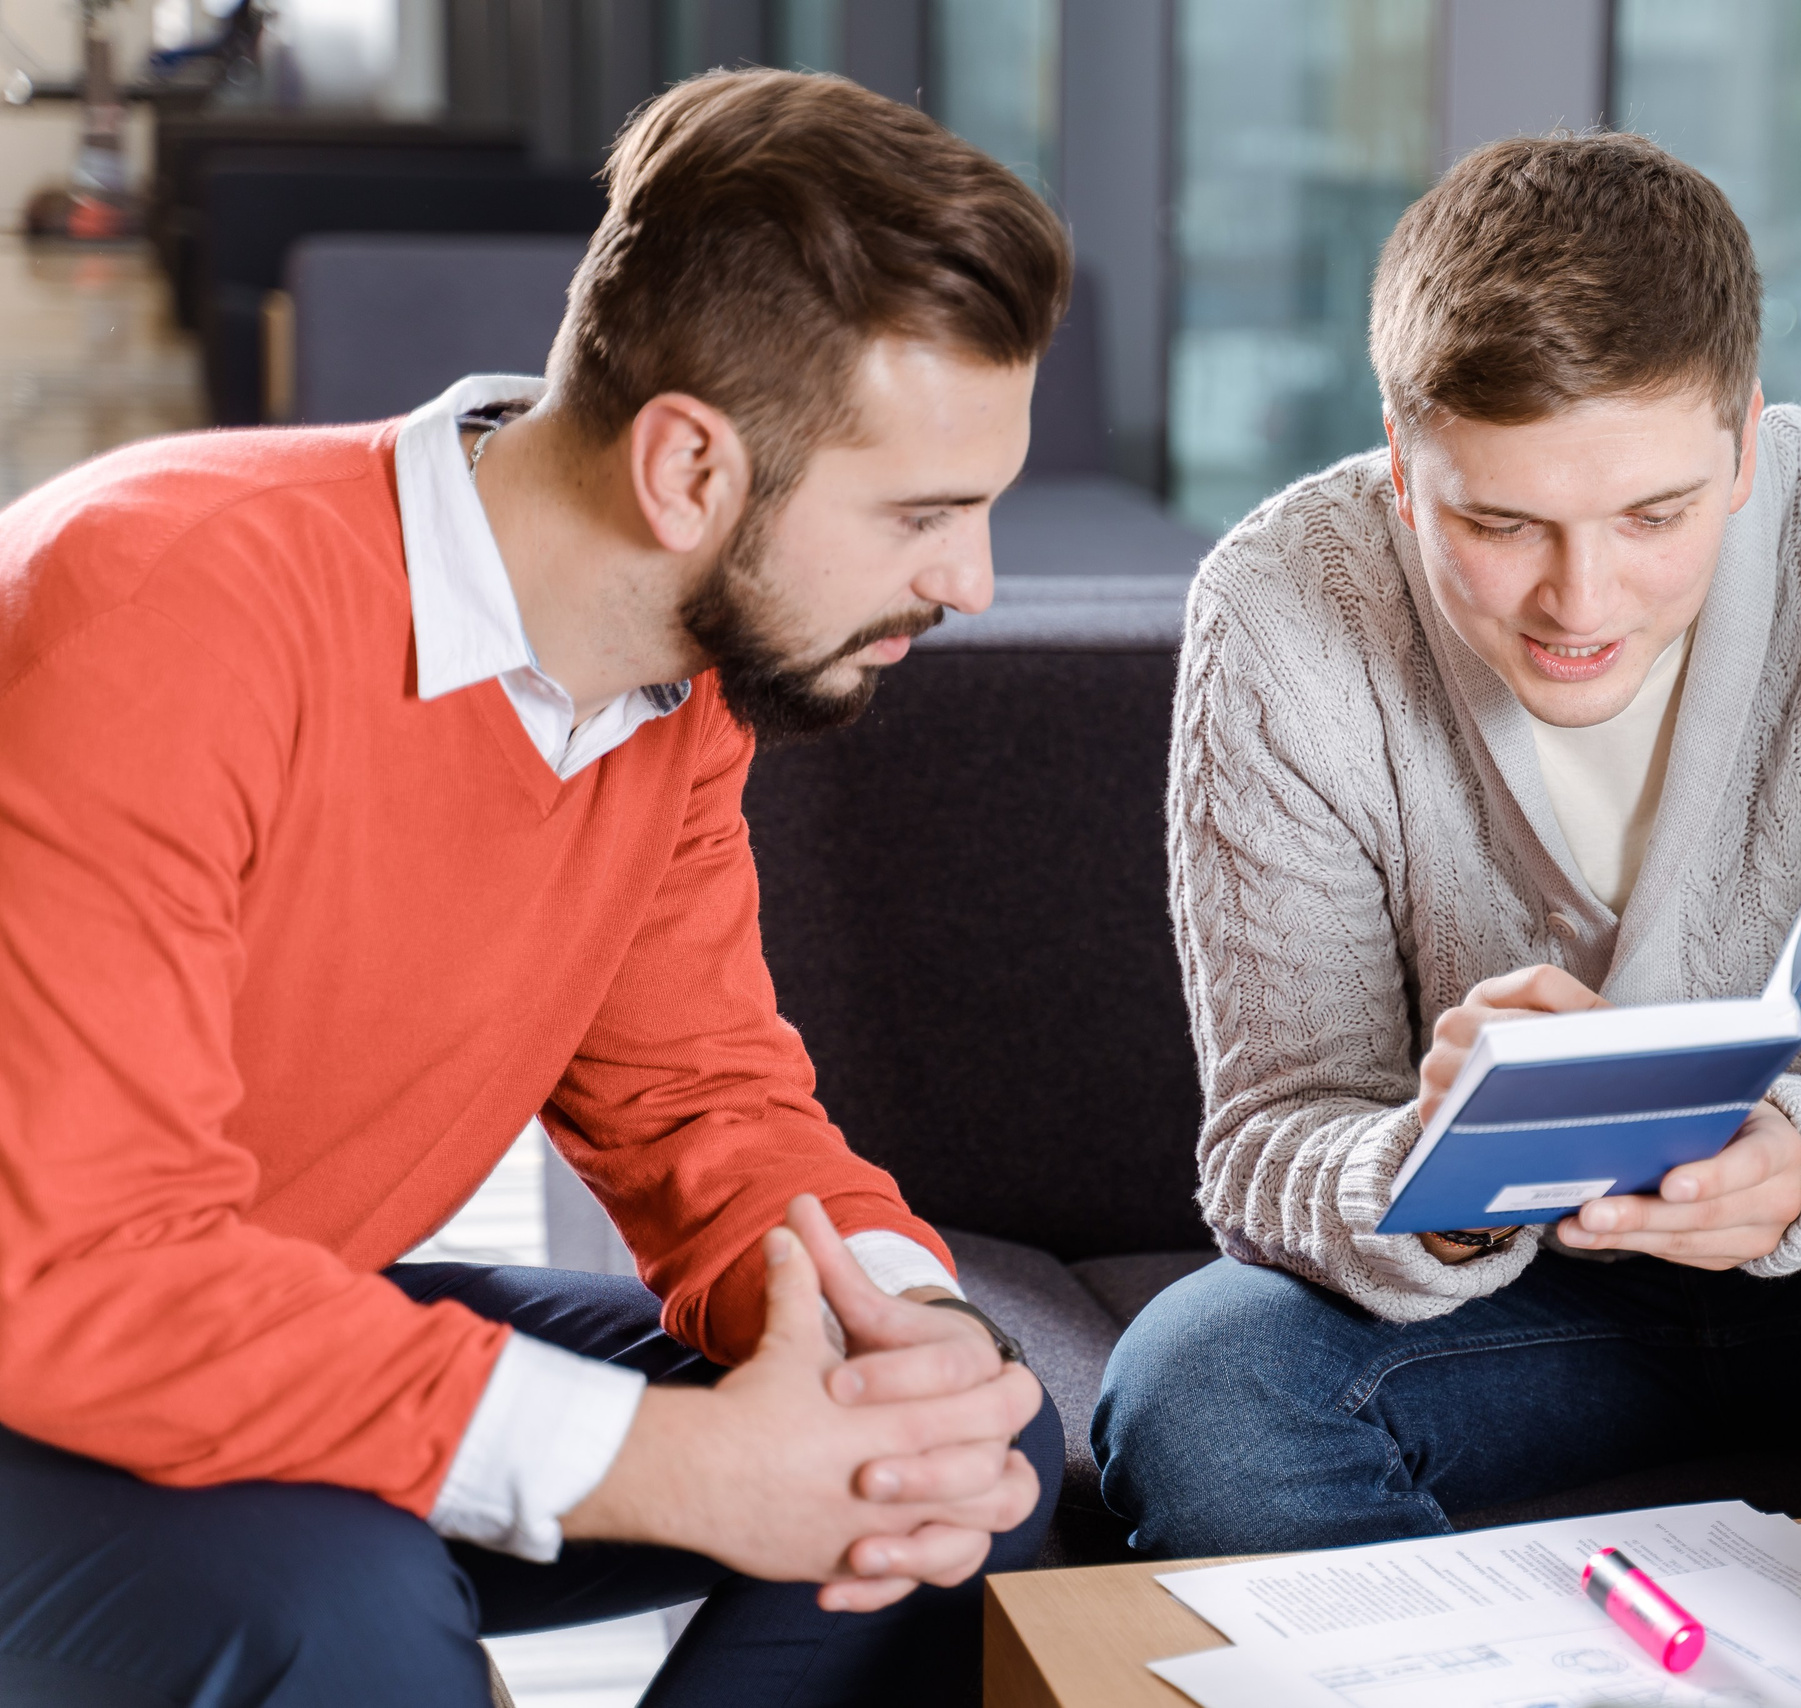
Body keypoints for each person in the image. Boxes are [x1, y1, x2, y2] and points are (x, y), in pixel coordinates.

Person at [0, 70, 1069, 1706]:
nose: (972, 583)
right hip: (48, 1330)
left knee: (959, 1445)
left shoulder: (670, 692)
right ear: (690, 472)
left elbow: (699, 1103)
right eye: (925, 515)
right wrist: (669, 1465)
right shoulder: (162, 606)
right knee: (331, 1606)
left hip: (246, 1309)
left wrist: (899, 1324)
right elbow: (82, 1267)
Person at [1090, 132, 1801, 1556]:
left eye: (1653, 515)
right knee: (1201, 1391)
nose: (1579, 600)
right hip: (1531, 1300)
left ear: (1744, 444)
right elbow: (1272, 1140)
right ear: (1404, 465)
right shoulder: (1282, 604)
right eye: (1501, 522)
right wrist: (1430, 1174)